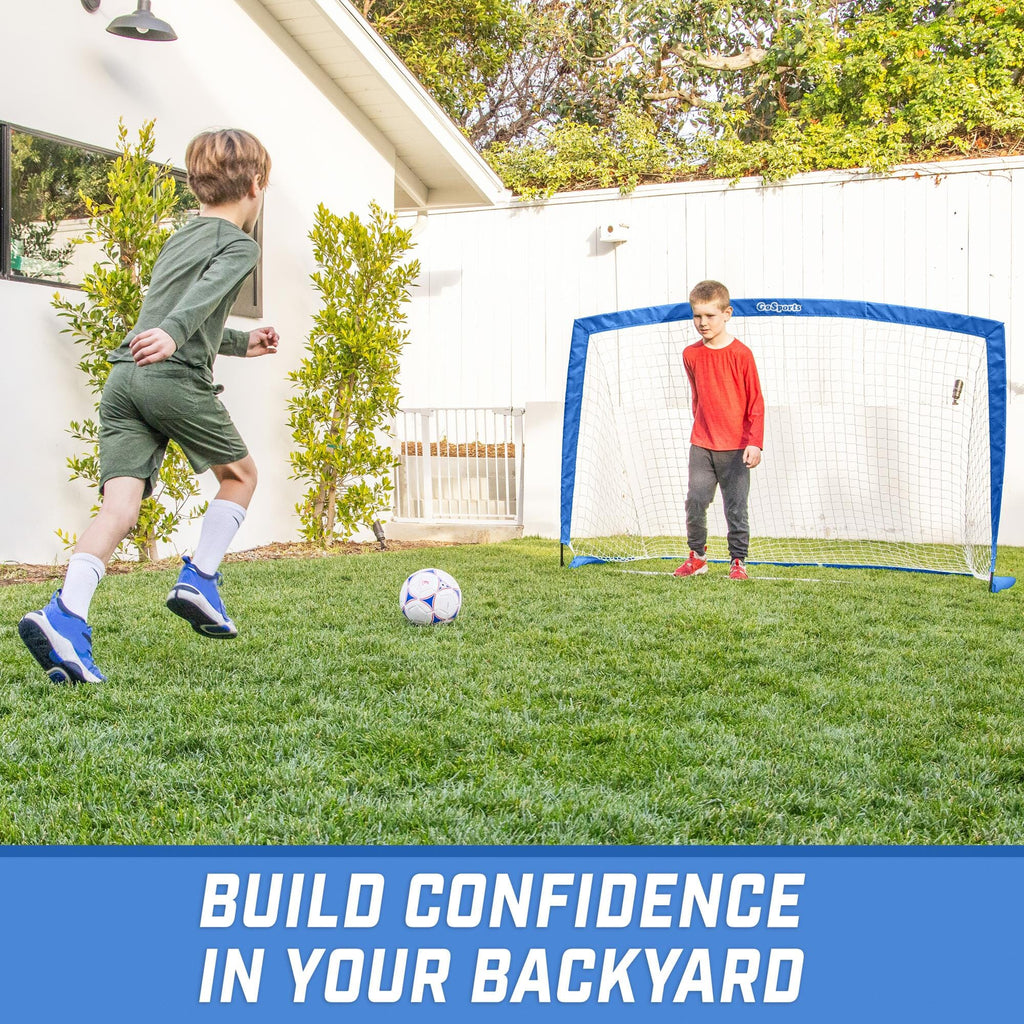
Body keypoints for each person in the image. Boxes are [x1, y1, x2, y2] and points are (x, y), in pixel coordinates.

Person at [19, 128, 279, 683]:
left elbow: (181, 309)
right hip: (169, 377)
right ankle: (201, 578)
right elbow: (194, 306)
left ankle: (64, 616)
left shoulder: (182, 236)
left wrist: (239, 342)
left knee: (119, 511)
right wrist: (173, 334)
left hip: (123, 381)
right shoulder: (241, 245)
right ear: (257, 185)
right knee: (241, 476)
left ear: (197, 185)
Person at [674, 280, 764, 581]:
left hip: (737, 447)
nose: (702, 323)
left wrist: (755, 443)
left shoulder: (742, 354)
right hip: (702, 445)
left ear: (727, 314)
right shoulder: (690, 354)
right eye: (697, 316)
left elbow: (755, 402)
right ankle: (697, 557)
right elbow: (698, 398)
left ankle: (738, 561)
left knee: (736, 507)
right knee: (695, 500)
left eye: (710, 316)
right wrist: (702, 429)